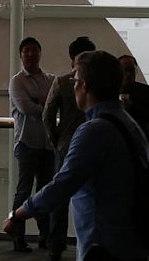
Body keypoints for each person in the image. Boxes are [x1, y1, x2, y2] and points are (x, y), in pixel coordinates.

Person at [3, 50, 149, 261]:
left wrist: (18, 214)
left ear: (85, 86)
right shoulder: (129, 124)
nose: (73, 86)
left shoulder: (93, 131)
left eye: (76, 80)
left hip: (102, 243)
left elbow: (62, 184)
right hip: (130, 239)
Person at [42, 36, 96, 260]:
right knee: (92, 195)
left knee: (59, 196)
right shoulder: (96, 83)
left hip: (65, 144)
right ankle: (92, 244)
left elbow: (47, 114)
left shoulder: (62, 82)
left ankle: (56, 246)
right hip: (92, 143)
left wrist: (55, 140)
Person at [9, 36, 55, 253]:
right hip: (26, 142)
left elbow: (55, 105)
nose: (30, 54)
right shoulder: (17, 81)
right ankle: (18, 237)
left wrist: (39, 102)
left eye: (33, 50)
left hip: (47, 144)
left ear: (39, 53)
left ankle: (45, 235)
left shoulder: (50, 79)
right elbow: (26, 108)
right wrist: (43, 103)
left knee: (45, 190)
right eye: (26, 51)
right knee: (23, 190)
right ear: (20, 56)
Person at [118, 55, 149, 144]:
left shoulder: (148, 91)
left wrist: (132, 106)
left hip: (140, 142)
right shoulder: (110, 91)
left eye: (130, 70)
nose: (128, 74)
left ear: (136, 71)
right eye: (124, 70)